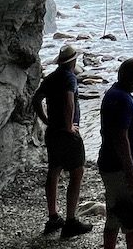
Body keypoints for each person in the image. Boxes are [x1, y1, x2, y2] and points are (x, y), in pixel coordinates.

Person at [31, 44, 93, 237]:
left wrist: (45, 120)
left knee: (54, 171)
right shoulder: (69, 78)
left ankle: (53, 217)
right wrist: (69, 126)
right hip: (67, 135)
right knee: (76, 173)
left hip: (53, 132)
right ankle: (71, 221)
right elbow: (68, 100)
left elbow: (36, 99)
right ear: (73, 61)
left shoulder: (50, 78)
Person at [99, 58, 133, 249]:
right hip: (122, 168)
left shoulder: (114, 93)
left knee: (114, 214)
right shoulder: (121, 98)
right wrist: (130, 171)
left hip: (111, 164)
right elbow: (120, 137)